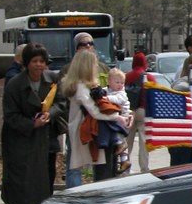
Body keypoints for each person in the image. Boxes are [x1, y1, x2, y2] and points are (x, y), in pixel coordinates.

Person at [1, 43, 61, 204]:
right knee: (20, 181)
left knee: (41, 182)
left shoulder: (52, 79)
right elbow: (10, 116)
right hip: (19, 139)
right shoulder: (15, 85)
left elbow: (61, 102)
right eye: (34, 61)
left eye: (42, 61)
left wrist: (50, 114)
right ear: (26, 63)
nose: (38, 65)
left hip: (44, 140)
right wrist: (31, 124)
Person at [62, 49, 130, 184]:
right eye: (93, 64)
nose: (96, 67)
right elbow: (95, 112)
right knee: (102, 174)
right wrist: (119, 117)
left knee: (101, 171)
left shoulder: (78, 85)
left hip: (91, 131)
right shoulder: (82, 88)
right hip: (93, 133)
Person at [124, 51, 156, 173]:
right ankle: (144, 168)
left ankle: (125, 167)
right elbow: (154, 95)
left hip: (129, 111)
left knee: (128, 141)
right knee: (144, 142)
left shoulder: (126, 76)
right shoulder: (149, 77)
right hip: (144, 111)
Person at [102, 68, 133, 168]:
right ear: (109, 82)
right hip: (118, 116)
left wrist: (106, 98)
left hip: (124, 115)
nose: (120, 85)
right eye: (117, 82)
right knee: (117, 135)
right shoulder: (106, 90)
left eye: (122, 83)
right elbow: (102, 92)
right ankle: (123, 160)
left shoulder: (122, 93)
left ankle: (123, 155)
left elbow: (117, 100)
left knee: (120, 134)